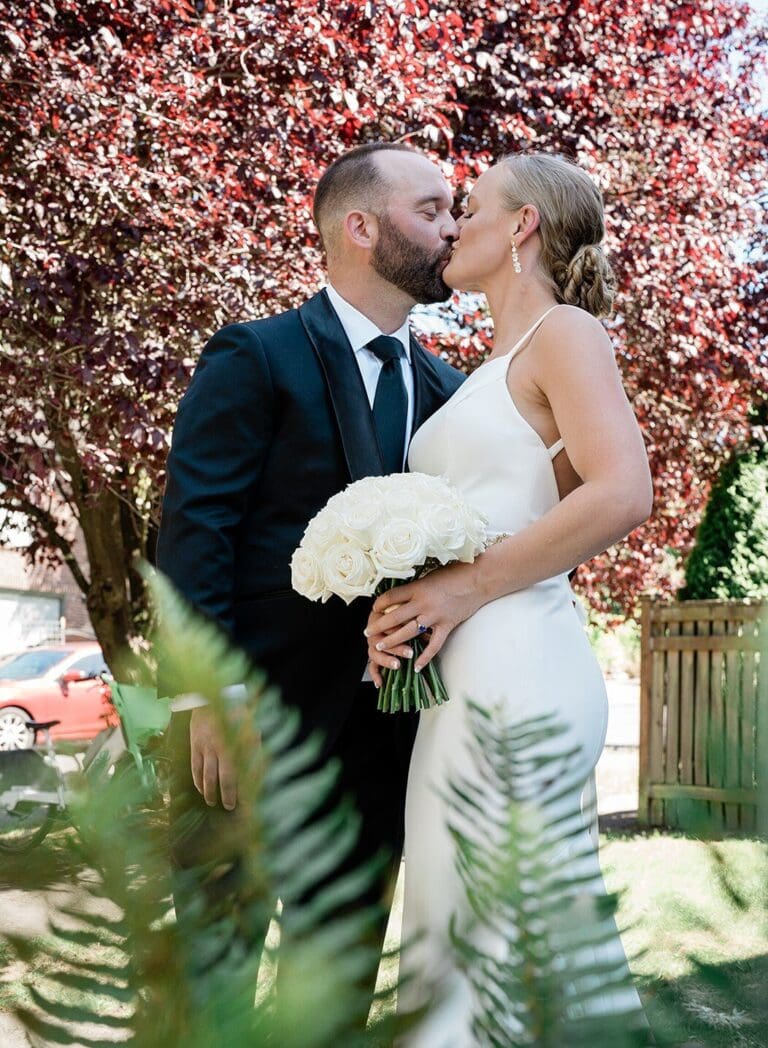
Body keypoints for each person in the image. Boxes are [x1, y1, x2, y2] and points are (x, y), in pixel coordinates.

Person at [155, 142, 465, 1022]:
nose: (453, 228)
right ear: (360, 228)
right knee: (211, 992)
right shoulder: (256, 356)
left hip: (384, 741)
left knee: (331, 1001)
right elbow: (196, 529)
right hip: (250, 727)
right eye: (433, 209)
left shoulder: (450, 390)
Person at [365, 152, 653, 1043]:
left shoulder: (565, 335)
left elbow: (623, 492)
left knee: (505, 933)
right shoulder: (483, 371)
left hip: (519, 667)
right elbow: (511, 509)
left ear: (522, 225)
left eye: (472, 208)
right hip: (463, 676)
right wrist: (403, 604)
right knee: (457, 925)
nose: (453, 227)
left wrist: (465, 588)